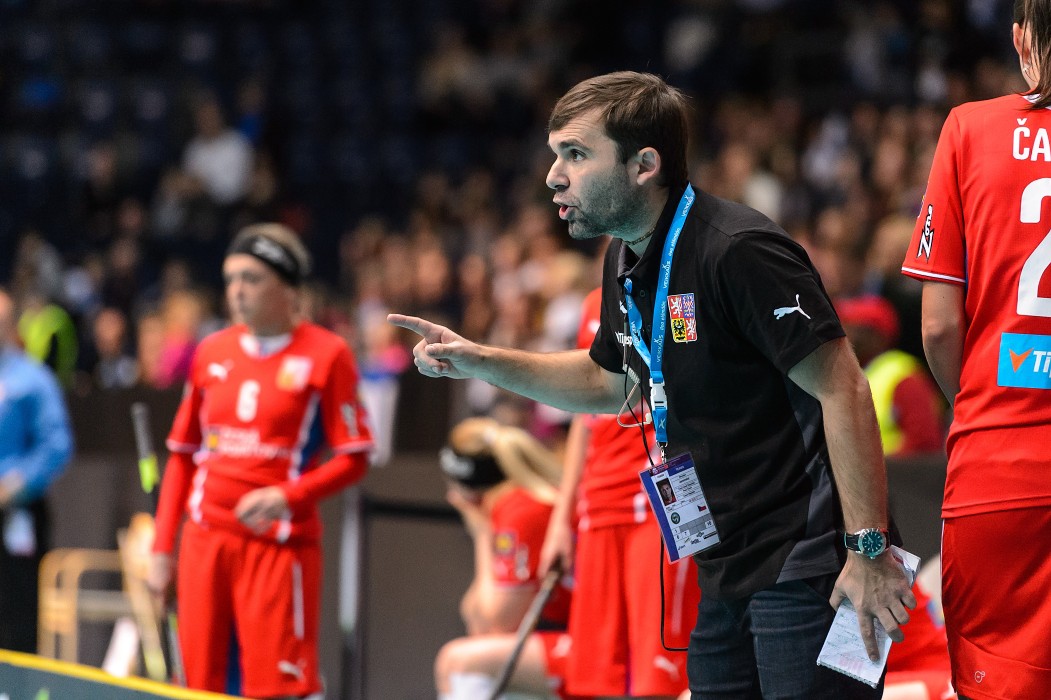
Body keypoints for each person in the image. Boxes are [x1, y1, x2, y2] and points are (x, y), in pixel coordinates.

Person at [391, 71, 913, 698]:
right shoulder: (625, 257)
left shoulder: (739, 250)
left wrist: (867, 550)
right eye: (555, 154)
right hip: (724, 567)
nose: (554, 175)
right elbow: (609, 381)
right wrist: (480, 360)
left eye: (576, 155)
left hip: (814, 564)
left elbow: (845, 390)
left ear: (644, 164)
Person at [147, 223, 374, 699]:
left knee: (280, 686)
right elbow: (182, 457)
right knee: (194, 684)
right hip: (204, 541)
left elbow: (355, 456)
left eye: (251, 278)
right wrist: (163, 549)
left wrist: (287, 496)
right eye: (231, 279)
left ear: (288, 287)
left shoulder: (327, 354)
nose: (237, 291)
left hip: (277, 546)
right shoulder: (211, 352)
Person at [900, 1, 1051, 696]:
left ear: (1022, 41)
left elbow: (935, 326)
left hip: (998, 464)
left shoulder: (968, 128)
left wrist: (987, 401)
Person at [539, 287, 696, 700]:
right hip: (598, 502)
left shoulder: (683, 289)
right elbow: (584, 407)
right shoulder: (597, 301)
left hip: (663, 499)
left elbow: (699, 378)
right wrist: (562, 516)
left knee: (659, 675)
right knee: (595, 677)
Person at [433, 417, 575, 700]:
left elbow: (498, 624)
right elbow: (477, 620)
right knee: (466, 659)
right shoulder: (519, 503)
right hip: (568, 635)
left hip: (590, 646)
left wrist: (482, 535)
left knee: (460, 663)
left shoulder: (522, 509)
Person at [0, 287, 74, 653]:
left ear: (11, 326)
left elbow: (57, 445)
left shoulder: (33, 380)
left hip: (16, 514)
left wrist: (17, 483)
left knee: (16, 619)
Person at [836, 295, 944, 457]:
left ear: (877, 336)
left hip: (898, 479)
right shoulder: (852, 373)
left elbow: (924, 443)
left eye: (853, 327)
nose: (844, 334)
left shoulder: (902, 375)